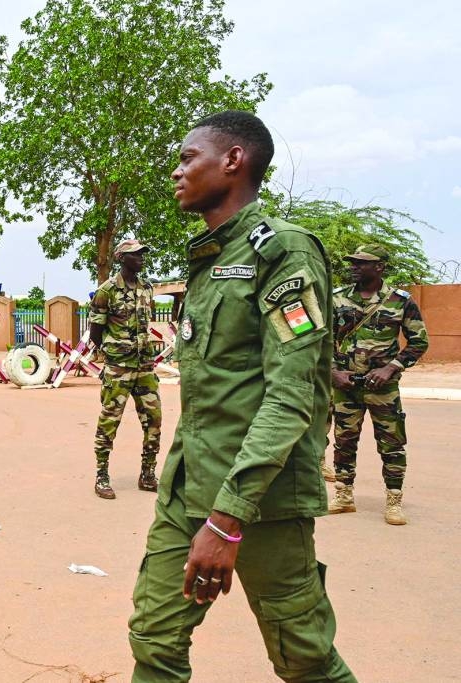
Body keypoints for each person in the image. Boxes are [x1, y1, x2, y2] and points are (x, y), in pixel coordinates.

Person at [127, 111, 356, 681]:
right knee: (153, 639)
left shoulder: (282, 253)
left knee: (303, 655)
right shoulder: (209, 259)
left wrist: (227, 520)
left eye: (187, 158)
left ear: (233, 160)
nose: (176, 172)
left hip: (262, 501)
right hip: (188, 490)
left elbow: (290, 398)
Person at [327, 244, 428, 525]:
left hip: (382, 387)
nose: (354, 266)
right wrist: (333, 372)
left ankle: (394, 499)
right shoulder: (336, 300)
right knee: (344, 441)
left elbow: (419, 342)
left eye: (361, 263)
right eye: (353, 262)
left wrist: (391, 367)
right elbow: (321, 340)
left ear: (379, 267)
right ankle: (344, 495)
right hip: (346, 385)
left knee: (392, 444)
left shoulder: (400, 301)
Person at [89, 239, 162, 498]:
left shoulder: (146, 288)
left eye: (143, 254)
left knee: (154, 421)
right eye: (135, 254)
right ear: (121, 258)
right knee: (109, 421)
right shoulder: (106, 291)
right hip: (119, 368)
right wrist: (112, 353)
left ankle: (148, 474)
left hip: (145, 366)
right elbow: (95, 331)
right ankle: (102, 475)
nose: (141, 258)